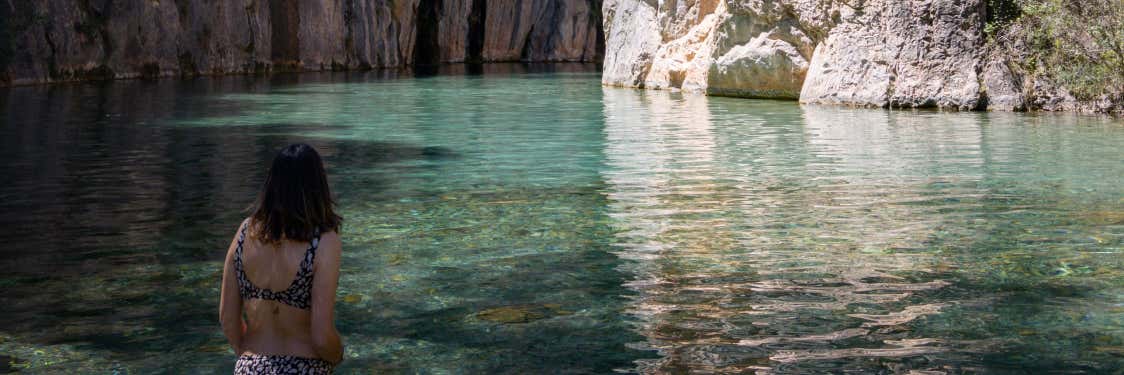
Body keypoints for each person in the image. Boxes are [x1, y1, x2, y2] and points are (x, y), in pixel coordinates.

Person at [220, 143, 344, 374]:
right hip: (304, 366)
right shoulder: (324, 242)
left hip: (250, 366)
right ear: (318, 185)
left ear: (272, 184)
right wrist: (338, 356)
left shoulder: (245, 232)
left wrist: (248, 358)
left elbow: (228, 318)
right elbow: (321, 337)